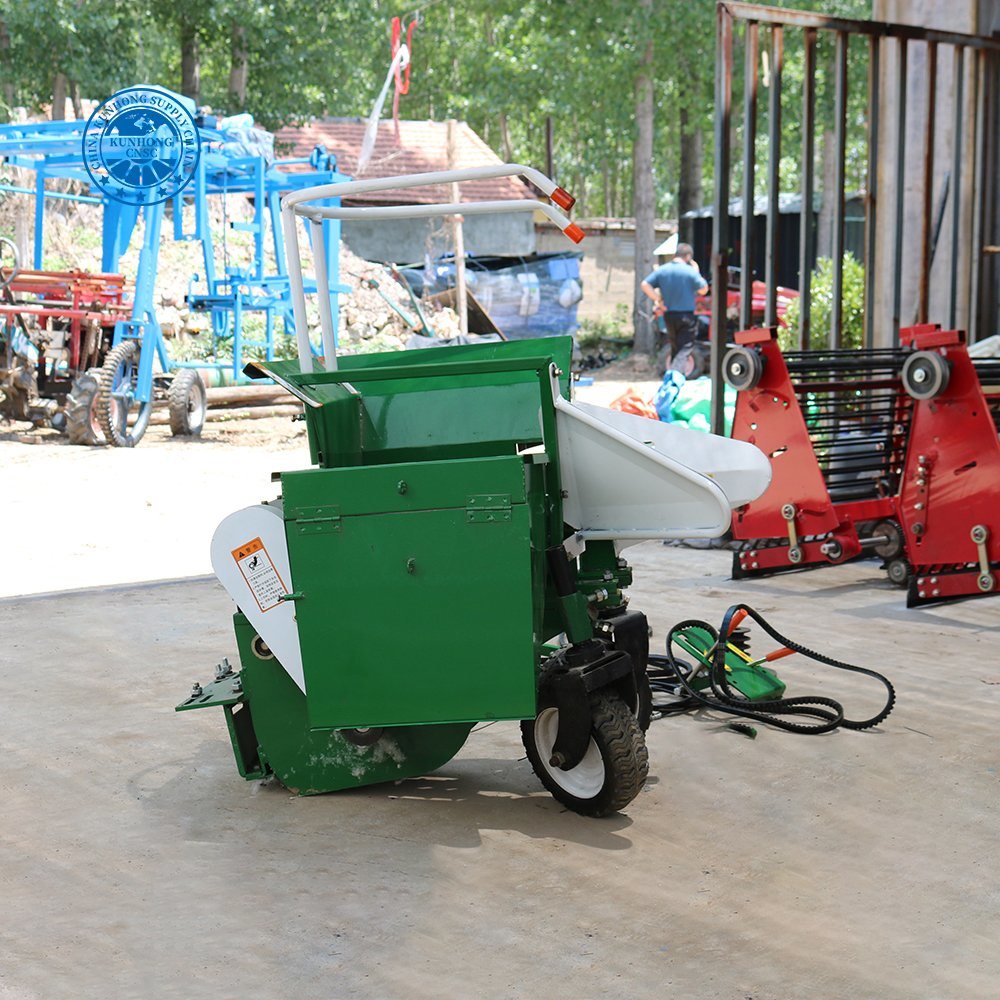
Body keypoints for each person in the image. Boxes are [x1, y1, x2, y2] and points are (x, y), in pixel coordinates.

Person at [640, 244, 708, 371]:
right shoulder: (690, 272)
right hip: (686, 315)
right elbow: (703, 290)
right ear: (688, 257)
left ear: (674, 255)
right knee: (685, 348)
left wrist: (658, 299)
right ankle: (674, 375)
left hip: (669, 315)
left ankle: (672, 375)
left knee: (675, 346)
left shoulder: (663, 270)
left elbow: (645, 284)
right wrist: (696, 272)